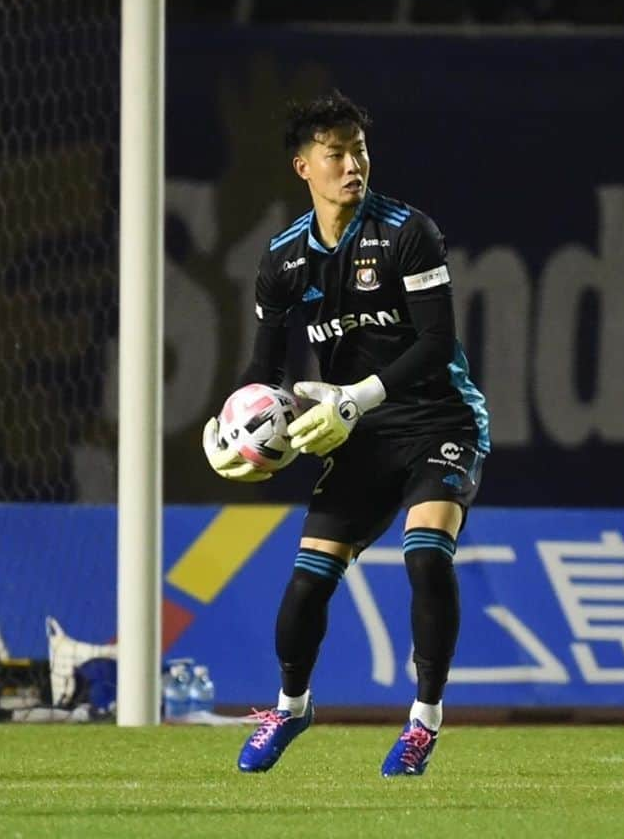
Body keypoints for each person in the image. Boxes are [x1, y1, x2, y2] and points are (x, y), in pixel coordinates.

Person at [202, 90, 489, 777]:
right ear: (304, 167)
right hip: (357, 437)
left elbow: (436, 340)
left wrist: (356, 398)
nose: (352, 165)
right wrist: (232, 425)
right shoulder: (284, 260)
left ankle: (423, 722)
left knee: (425, 556)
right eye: (335, 154)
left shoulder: (406, 231)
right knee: (307, 582)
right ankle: (291, 707)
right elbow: (266, 367)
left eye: (358, 150)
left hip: (437, 417)